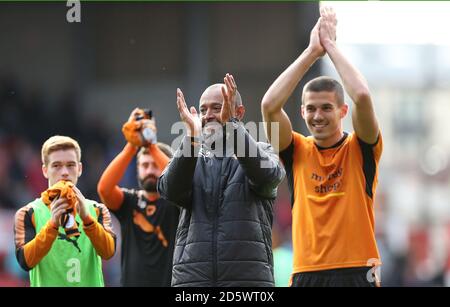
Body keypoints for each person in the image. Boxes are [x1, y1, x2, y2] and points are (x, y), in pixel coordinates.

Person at [261, 7, 382, 287]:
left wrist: (331, 47)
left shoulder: (359, 147)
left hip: (356, 271)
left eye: (327, 108)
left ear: (342, 111)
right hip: (307, 273)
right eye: (311, 109)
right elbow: (269, 105)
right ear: (302, 112)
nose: (318, 116)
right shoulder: (296, 150)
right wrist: (312, 53)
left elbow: (362, 94)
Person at [157, 73, 285, 287]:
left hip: (248, 283)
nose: (208, 115)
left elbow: (269, 178)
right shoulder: (190, 157)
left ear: (239, 112)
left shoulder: (263, 151)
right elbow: (169, 190)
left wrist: (231, 126)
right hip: (192, 282)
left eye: (217, 108)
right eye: (203, 109)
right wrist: (191, 140)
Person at [14, 135, 116, 287]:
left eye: (70, 165)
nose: (64, 172)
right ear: (45, 170)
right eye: (56, 166)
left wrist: (87, 219)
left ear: (79, 169)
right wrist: (52, 225)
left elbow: (108, 252)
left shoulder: (97, 209)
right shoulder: (28, 213)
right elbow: (25, 262)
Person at [97, 108, 179, 287]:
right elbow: (104, 189)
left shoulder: (179, 201)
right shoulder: (130, 202)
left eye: (154, 164)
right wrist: (131, 146)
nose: (150, 170)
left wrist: (152, 145)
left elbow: (180, 181)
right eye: (144, 165)